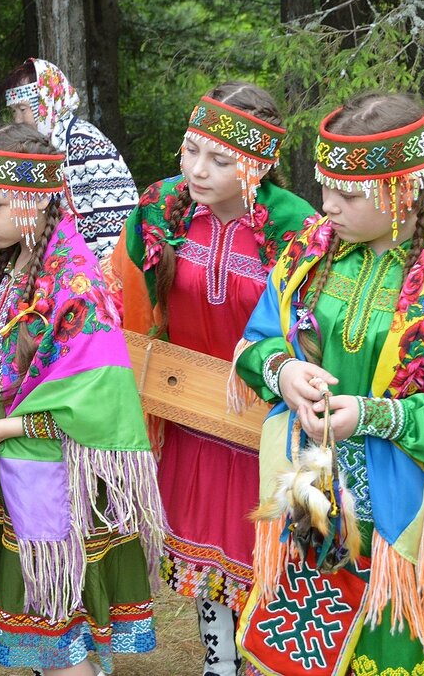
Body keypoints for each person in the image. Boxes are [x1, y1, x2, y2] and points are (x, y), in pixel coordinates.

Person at [234, 93, 424, 675]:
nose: (326, 205)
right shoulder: (311, 252)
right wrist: (283, 371)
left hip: (406, 516)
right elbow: (258, 339)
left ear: (404, 190)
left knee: (391, 651)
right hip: (311, 497)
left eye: (347, 193)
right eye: (324, 186)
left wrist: (373, 416)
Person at [0, 123, 165, 676]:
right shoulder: (20, 259)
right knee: (45, 625)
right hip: (16, 466)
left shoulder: (75, 281)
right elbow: (16, 346)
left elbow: (92, 400)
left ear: (39, 199)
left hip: (48, 470)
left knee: (56, 618)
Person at [115, 83, 315, 675]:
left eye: (219, 160)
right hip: (189, 413)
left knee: (267, 554)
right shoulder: (162, 208)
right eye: (190, 151)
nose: (197, 171)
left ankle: (262, 660)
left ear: (258, 165)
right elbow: (131, 301)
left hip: (267, 424)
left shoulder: (297, 226)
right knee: (205, 555)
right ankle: (218, 660)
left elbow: (309, 330)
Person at [2, 58, 139, 259]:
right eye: (14, 111)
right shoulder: (39, 148)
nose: (17, 120)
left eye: (23, 110)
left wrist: (107, 274)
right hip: (63, 267)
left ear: (47, 102)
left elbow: (117, 215)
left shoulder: (85, 140)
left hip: (94, 272)